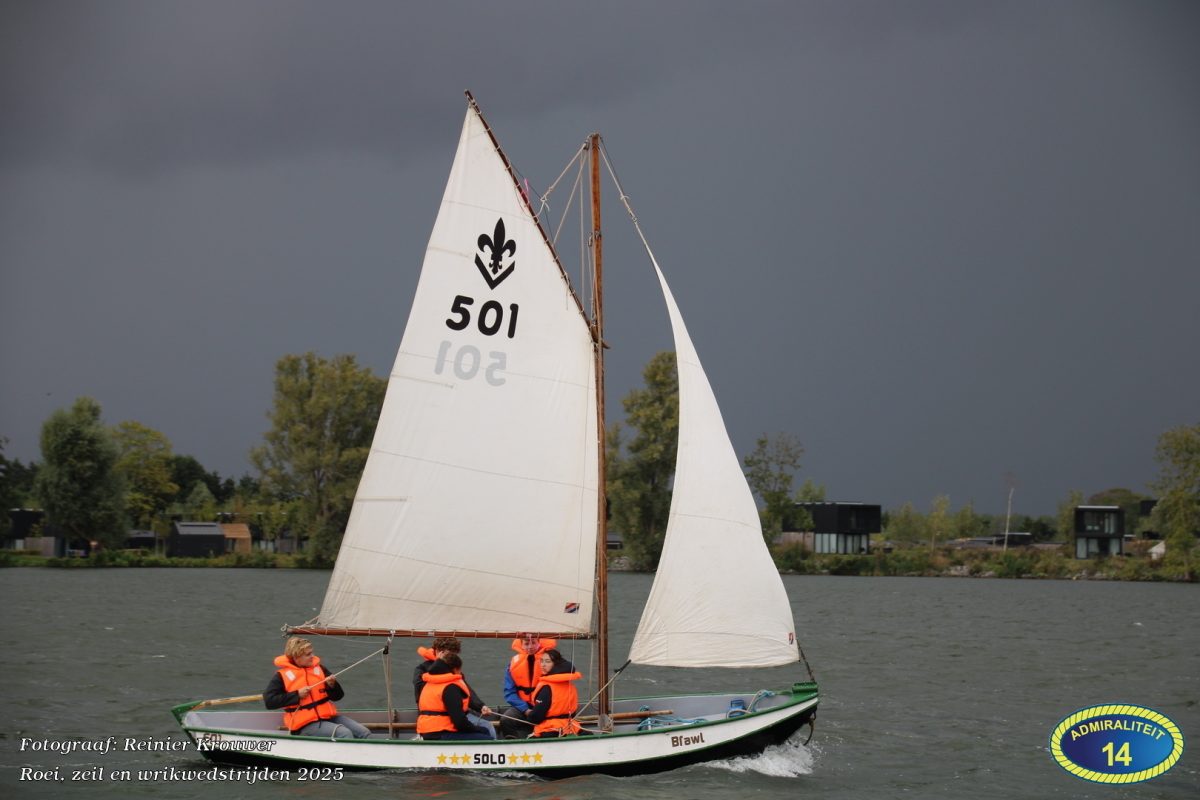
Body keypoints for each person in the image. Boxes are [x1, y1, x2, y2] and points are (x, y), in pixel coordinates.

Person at [263, 637, 371, 739]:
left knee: (365, 733)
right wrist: (297, 695)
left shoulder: (320, 669)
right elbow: (269, 701)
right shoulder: (281, 676)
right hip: (304, 725)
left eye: (312, 652)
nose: (312, 656)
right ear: (296, 657)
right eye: (308, 654)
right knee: (344, 733)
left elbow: (338, 696)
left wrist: (332, 685)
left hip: (328, 717)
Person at [413, 637, 496, 738]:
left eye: (455, 654)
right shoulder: (422, 670)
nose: (453, 658)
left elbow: (465, 692)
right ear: (439, 651)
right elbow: (423, 693)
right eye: (450, 654)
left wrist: (480, 706)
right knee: (483, 731)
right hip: (438, 719)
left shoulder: (453, 669)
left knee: (487, 726)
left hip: (457, 714)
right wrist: (438, 663)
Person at [499, 633, 557, 739]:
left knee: (547, 722)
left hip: (546, 706)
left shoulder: (550, 661)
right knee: (506, 720)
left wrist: (540, 709)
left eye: (533, 642)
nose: (530, 646)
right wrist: (525, 709)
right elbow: (509, 692)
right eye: (526, 644)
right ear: (521, 645)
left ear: (539, 643)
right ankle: (514, 746)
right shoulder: (513, 664)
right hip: (523, 706)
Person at [527, 649, 591, 737]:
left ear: (556, 664)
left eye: (547, 661)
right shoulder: (570, 685)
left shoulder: (546, 687)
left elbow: (536, 717)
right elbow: (573, 713)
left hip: (550, 729)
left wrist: (529, 715)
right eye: (541, 661)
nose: (543, 665)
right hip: (570, 727)